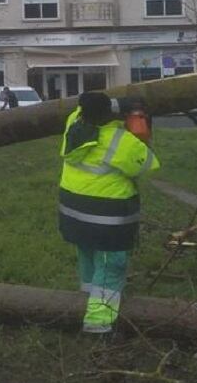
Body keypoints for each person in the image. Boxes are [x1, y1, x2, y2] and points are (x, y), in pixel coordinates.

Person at [58, 91, 160, 334]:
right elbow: (148, 164)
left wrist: (117, 106)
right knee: (111, 264)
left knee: (87, 253)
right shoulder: (120, 141)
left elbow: (92, 109)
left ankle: (85, 299)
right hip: (106, 215)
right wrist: (142, 127)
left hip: (73, 210)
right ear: (108, 114)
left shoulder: (73, 122)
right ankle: (98, 323)